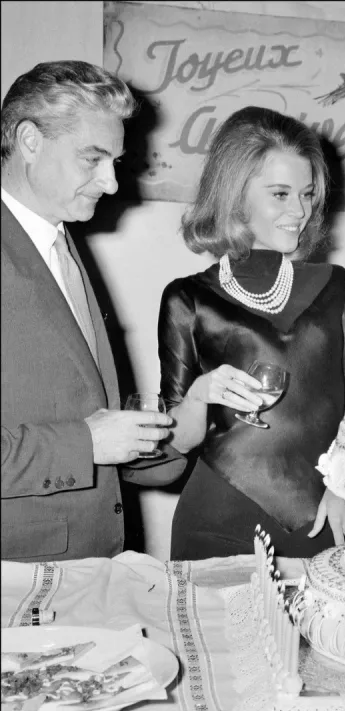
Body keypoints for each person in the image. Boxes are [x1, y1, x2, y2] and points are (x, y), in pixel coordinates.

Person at [160, 106, 345, 560]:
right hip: (217, 518)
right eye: (280, 194)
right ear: (235, 196)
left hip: (325, 516)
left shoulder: (336, 286)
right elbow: (176, 439)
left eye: (307, 194)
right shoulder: (187, 299)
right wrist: (199, 395)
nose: (299, 210)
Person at [1, 60, 177, 562]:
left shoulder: (61, 242)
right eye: (92, 159)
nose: (111, 183)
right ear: (30, 141)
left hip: (90, 563)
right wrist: (86, 444)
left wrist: (180, 428)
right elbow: (89, 437)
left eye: (114, 162)